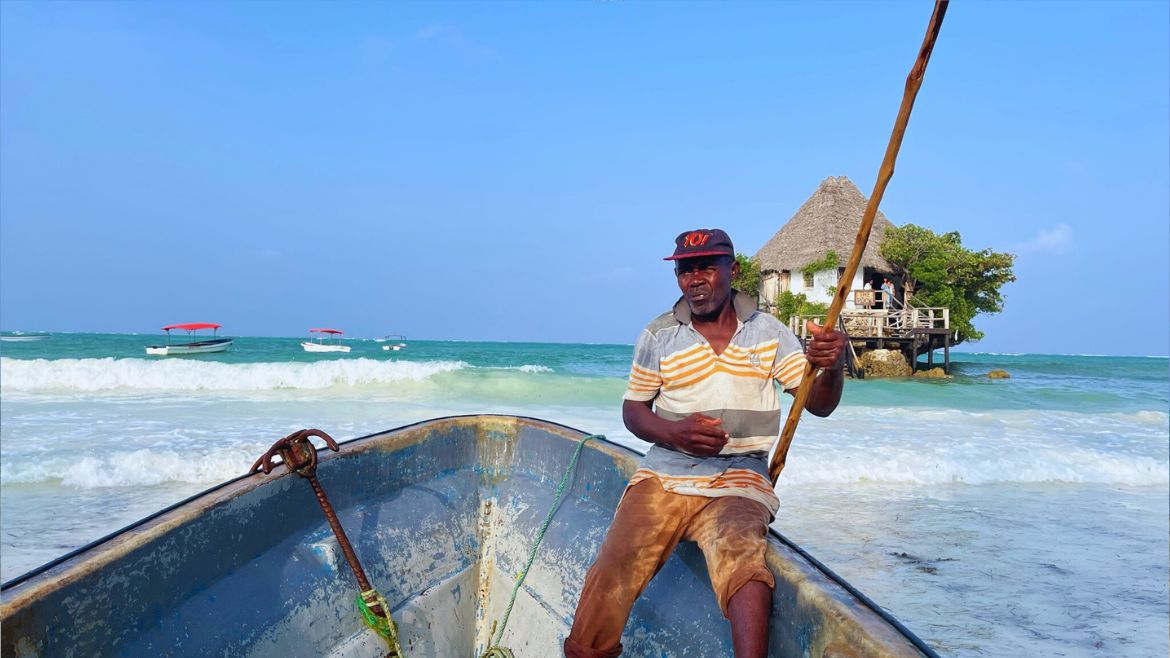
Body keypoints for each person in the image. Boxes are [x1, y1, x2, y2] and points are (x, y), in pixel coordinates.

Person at [564, 228, 846, 658]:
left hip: (739, 477)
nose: (695, 279)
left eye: (706, 268)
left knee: (745, 565)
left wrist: (833, 365)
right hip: (664, 475)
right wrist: (675, 434)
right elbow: (634, 412)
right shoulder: (659, 336)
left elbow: (820, 405)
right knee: (614, 566)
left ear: (732, 271)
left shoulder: (768, 332)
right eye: (685, 270)